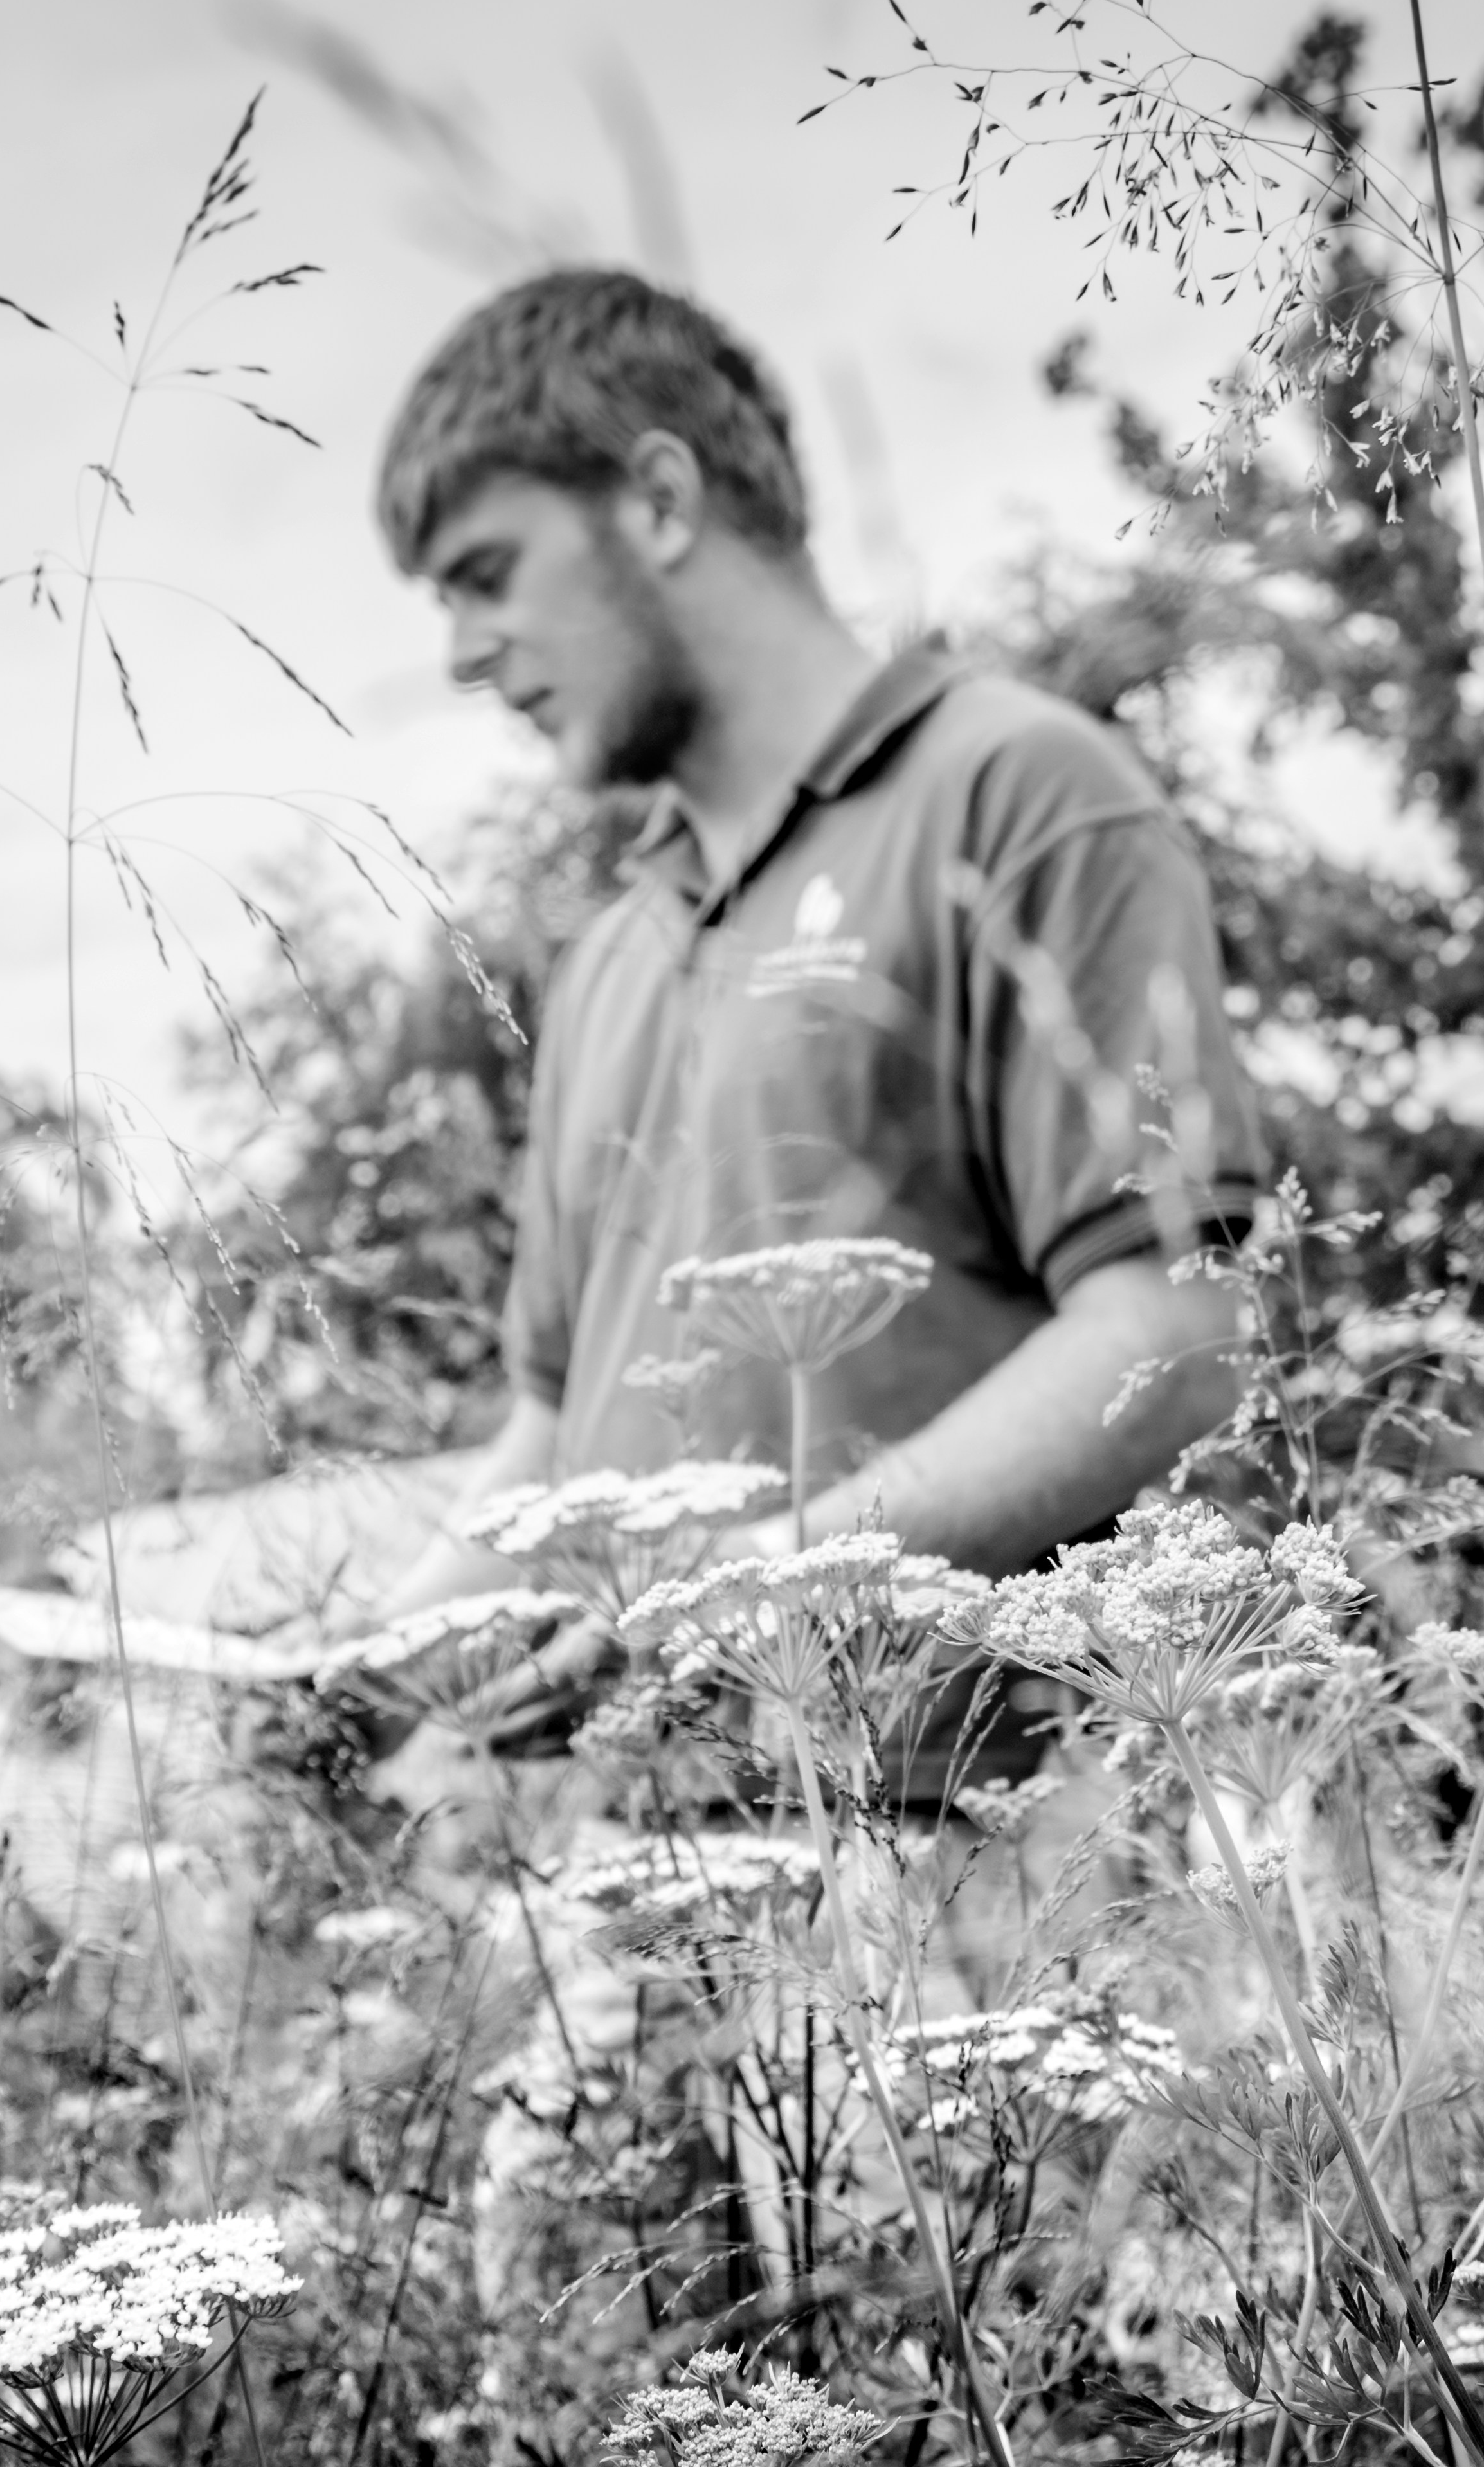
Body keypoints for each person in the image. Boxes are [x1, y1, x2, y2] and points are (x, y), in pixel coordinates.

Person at [360, 268, 1270, 1760]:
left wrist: (778, 1585)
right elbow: (552, 1438)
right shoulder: (608, 962)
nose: (463, 650)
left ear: (658, 498)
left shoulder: (1019, 797)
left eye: (487, 570)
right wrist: (364, 1665)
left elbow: (1173, 1327)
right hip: (650, 1875)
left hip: (973, 1845)